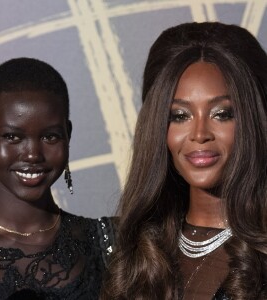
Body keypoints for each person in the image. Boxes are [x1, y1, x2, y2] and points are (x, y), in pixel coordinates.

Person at [101, 22, 267, 300]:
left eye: (222, 114)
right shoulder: (134, 251)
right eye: (180, 116)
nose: (200, 134)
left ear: (254, 120)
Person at [0, 57, 114, 299]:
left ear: (68, 135)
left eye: (50, 137)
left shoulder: (107, 241)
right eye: (13, 137)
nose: (33, 154)